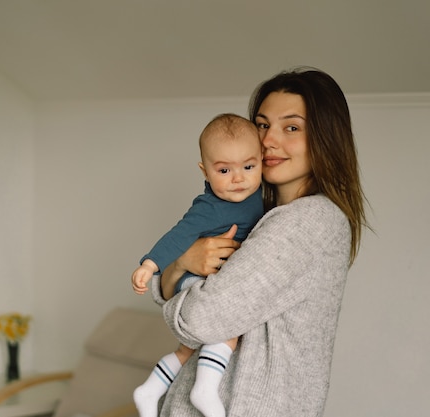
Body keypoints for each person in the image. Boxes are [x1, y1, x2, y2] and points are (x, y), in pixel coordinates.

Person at [150, 67, 369, 416]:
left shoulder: (308, 220)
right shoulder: (258, 217)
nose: (268, 140)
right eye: (263, 124)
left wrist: (174, 281)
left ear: (325, 138)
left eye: (291, 127)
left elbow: (201, 321)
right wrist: (179, 264)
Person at [131, 113, 265, 417]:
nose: (238, 178)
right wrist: (150, 265)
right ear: (205, 172)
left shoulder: (258, 194)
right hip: (195, 279)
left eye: (248, 166)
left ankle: (149, 389)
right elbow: (177, 236)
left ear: (261, 161)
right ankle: (205, 389)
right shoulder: (210, 208)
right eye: (224, 170)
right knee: (228, 320)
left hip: (208, 278)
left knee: (186, 350)